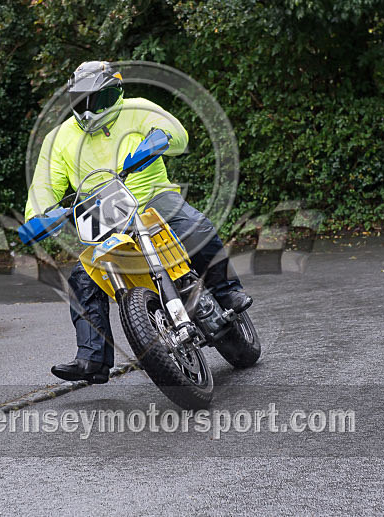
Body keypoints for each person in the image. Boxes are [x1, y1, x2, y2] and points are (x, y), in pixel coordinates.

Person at [24, 61, 251, 384]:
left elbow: (176, 134)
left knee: (195, 226)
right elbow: (44, 187)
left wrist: (157, 139)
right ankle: (92, 358)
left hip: (152, 197)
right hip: (104, 214)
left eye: (96, 100)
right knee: (83, 277)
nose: (88, 110)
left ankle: (226, 291)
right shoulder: (58, 138)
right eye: (80, 101)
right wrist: (40, 217)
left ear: (114, 93)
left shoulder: (138, 109)